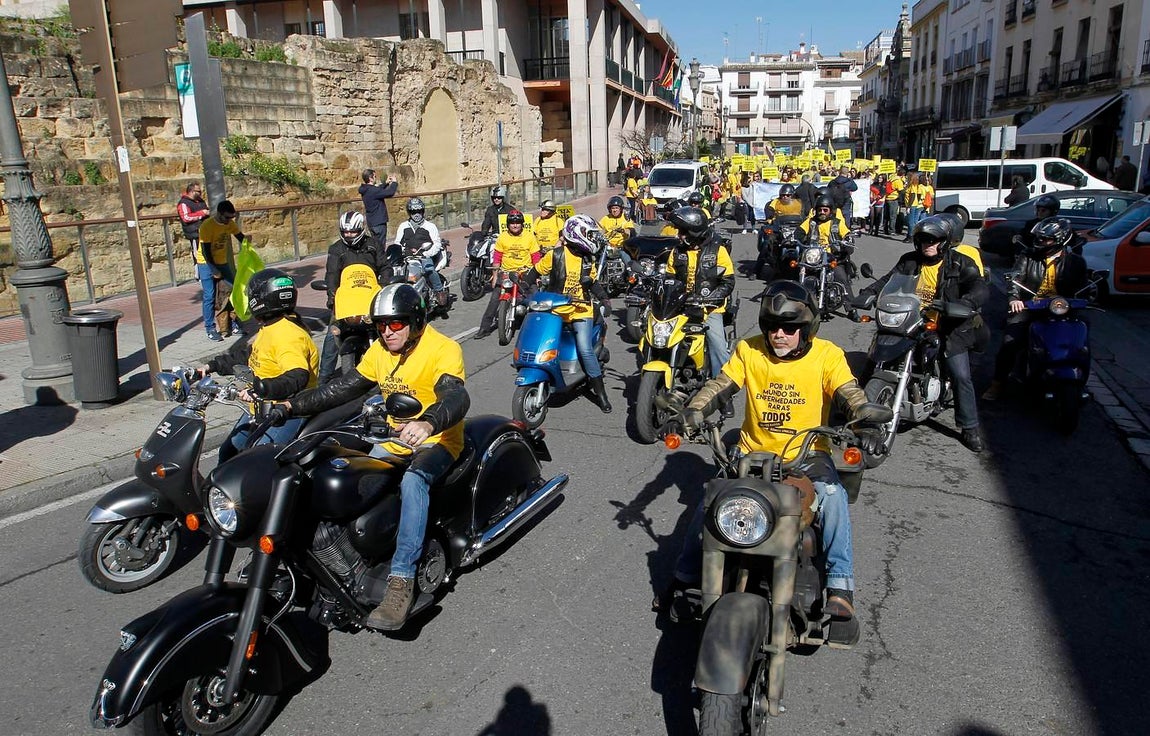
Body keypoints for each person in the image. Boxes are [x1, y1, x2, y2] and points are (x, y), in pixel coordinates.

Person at [656, 280, 882, 632]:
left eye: (790, 328)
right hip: (750, 454)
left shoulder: (827, 355)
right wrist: (692, 413)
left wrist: (864, 419)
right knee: (708, 502)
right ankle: (686, 576)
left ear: (807, 329)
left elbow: (847, 391)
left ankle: (841, 586)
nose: (780, 334)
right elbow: (720, 386)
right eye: (773, 326)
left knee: (834, 497)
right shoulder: (750, 349)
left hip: (807, 455)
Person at [270, 283, 469, 630]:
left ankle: (401, 581)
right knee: (338, 469)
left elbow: (456, 397)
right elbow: (341, 389)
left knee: (413, 483)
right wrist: (290, 406)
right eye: (381, 325)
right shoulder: (380, 351)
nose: (387, 331)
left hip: (436, 441)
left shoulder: (443, 349)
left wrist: (428, 423)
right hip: (392, 441)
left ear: (416, 321)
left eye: (395, 324)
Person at [857, 215, 989, 452]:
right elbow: (889, 281)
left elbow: (979, 287)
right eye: (923, 240)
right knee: (875, 353)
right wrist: (868, 293)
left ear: (945, 241)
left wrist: (965, 303)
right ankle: (858, 404)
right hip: (913, 321)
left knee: (960, 374)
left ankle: (969, 427)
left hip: (949, 325)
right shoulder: (909, 260)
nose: (928, 244)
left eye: (933, 240)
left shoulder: (959, 263)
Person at [199, 269, 318, 461]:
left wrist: (261, 389)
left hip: (288, 411)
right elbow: (248, 355)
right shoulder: (272, 326)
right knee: (229, 451)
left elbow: (298, 375)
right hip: (262, 408)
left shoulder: (288, 335)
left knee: (258, 461)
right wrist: (209, 367)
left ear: (260, 300)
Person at [982, 217, 1088, 402]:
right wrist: (1014, 298)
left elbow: (1083, 287)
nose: (1040, 242)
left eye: (1046, 239)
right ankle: (997, 384)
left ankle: (1079, 378)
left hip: (1062, 308)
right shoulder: (1028, 256)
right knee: (1010, 342)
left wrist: (1086, 297)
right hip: (1031, 306)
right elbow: (1016, 277)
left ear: (1061, 239)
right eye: (1039, 238)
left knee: (1082, 338)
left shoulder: (1075, 262)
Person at [521, 214, 613, 412]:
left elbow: (594, 283)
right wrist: (524, 285)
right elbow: (535, 271)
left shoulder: (589, 259)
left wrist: (604, 299)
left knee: (585, 349)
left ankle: (601, 394)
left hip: (581, 309)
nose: (592, 238)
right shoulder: (555, 255)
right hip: (555, 307)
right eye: (589, 234)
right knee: (542, 338)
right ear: (576, 234)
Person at [666, 207, 736, 415]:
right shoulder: (677, 251)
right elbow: (669, 278)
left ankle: (724, 395)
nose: (679, 235)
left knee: (718, 347)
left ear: (694, 231)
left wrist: (709, 298)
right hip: (681, 308)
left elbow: (727, 282)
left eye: (683, 231)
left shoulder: (717, 250)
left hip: (709, 309)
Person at [318, 211, 391, 384]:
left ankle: (392, 366)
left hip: (370, 298)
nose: (349, 235)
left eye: (352, 232)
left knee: (388, 329)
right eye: (345, 232)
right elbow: (332, 274)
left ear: (361, 229)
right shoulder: (336, 249)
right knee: (332, 335)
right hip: (346, 302)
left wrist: (384, 285)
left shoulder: (373, 245)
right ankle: (323, 379)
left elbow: (385, 267)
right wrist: (331, 295)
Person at [475, 209, 541, 339]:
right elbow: (497, 257)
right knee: (494, 300)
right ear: (508, 224)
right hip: (506, 273)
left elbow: (536, 258)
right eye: (512, 223)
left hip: (525, 273)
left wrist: (537, 276)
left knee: (535, 299)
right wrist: (494, 276)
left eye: (517, 223)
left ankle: (537, 328)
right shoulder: (503, 237)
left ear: (522, 224)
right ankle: (484, 328)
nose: (515, 225)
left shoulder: (529, 237)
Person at [797, 194, 857, 313]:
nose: (822, 212)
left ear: (830, 211)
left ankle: (852, 310)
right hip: (813, 255)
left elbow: (847, 234)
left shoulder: (837, 223)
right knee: (797, 271)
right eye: (820, 210)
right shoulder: (810, 222)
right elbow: (799, 231)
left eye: (825, 210)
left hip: (832, 256)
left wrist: (848, 241)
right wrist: (795, 238)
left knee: (842, 278)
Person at [196, 200, 246, 341]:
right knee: (210, 295)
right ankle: (210, 328)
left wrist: (249, 248)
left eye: (231, 218)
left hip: (221, 260)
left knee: (233, 290)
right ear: (219, 214)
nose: (229, 221)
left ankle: (234, 323)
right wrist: (214, 270)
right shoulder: (207, 226)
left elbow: (240, 237)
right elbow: (206, 252)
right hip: (206, 263)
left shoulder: (229, 223)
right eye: (226, 217)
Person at [393, 197, 448, 308]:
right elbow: (397, 242)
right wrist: (400, 251)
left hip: (424, 255)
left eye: (418, 211)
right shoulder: (403, 226)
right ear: (409, 213)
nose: (416, 214)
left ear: (422, 211)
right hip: (408, 257)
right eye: (413, 212)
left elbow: (437, 243)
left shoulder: (430, 226)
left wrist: (427, 253)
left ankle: (439, 291)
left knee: (429, 269)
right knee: (396, 273)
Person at [359, 169, 399, 243]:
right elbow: (390, 193)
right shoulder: (373, 190)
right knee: (380, 247)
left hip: (371, 222)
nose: (376, 178)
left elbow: (377, 190)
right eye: (375, 176)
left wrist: (386, 183)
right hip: (379, 223)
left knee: (375, 245)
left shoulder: (365, 189)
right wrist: (394, 183)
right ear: (370, 178)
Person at [176, 182, 210, 265]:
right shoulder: (184, 203)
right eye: (198, 191)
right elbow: (186, 218)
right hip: (194, 233)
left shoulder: (200, 201)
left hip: (205, 231)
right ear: (191, 191)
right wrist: (201, 214)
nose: (200, 193)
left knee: (208, 254)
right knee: (198, 255)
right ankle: (199, 276)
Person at [901, 172, 929, 243]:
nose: (906, 178)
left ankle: (911, 236)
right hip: (915, 204)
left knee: (911, 222)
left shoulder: (913, 186)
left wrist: (909, 207)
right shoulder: (916, 186)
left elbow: (912, 196)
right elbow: (918, 195)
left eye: (907, 177)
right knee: (914, 221)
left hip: (912, 205)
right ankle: (910, 235)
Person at [885, 168, 905, 236]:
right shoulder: (898, 181)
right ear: (902, 175)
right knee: (893, 216)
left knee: (887, 216)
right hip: (893, 199)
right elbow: (901, 191)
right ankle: (892, 230)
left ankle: (885, 229)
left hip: (887, 198)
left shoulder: (892, 178)